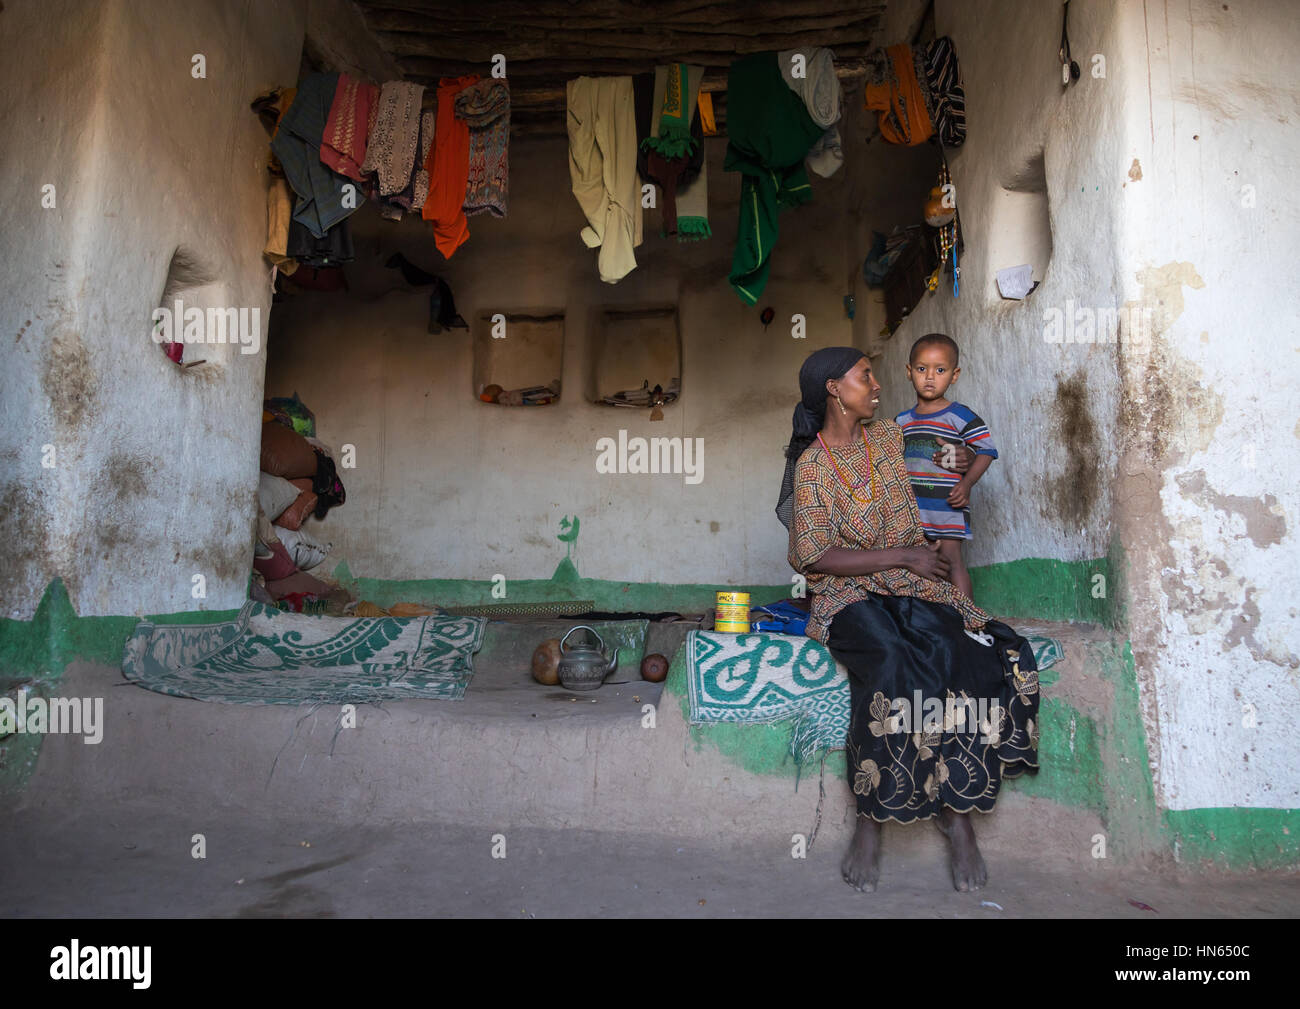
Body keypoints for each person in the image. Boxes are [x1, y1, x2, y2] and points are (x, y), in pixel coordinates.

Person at [776, 347, 1039, 892]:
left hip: (903, 578)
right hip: (843, 594)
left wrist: (956, 474)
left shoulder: (886, 442)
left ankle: (958, 814)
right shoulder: (813, 466)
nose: (876, 385)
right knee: (893, 660)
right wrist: (902, 558)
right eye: (864, 376)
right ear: (833, 388)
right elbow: (815, 556)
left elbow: (915, 498)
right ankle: (871, 823)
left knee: (966, 648)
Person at [894, 333, 997, 601]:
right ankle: (936, 622)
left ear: (954, 375)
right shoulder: (902, 421)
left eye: (940, 370)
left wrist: (967, 483)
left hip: (947, 505)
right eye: (921, 369)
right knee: (920, 567)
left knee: (952, 563)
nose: (930, 377)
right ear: (909, 372)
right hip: (914, 510)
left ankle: (969, 621)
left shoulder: (959, 415)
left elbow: (987, 450)